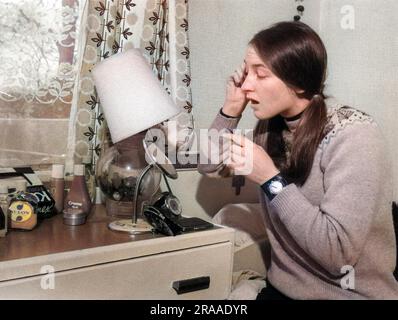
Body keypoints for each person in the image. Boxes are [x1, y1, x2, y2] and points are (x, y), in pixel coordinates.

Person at [197, 21, 398, 299]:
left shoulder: (354, 135)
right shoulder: (269, 127)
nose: (246, 85)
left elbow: (336, 254)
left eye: (261, 75)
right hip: (282, 290)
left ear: (299, 83)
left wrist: (270, 180)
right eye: (246, 72)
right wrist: (230, 109)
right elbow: (208, 165)